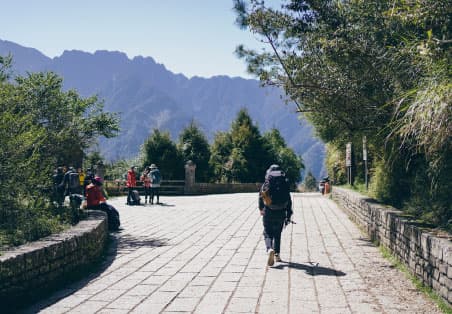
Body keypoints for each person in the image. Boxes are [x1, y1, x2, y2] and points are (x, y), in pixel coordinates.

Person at [259, 164, 293, 266]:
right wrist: (288, 215)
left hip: (268, 211)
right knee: (277, 233)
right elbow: (289, 200)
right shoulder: (283, 182)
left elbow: (261, 196)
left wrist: (261, 209)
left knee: (267, 232)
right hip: (281, 212)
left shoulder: (267, 182)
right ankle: (277, 255)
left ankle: (269, 249)